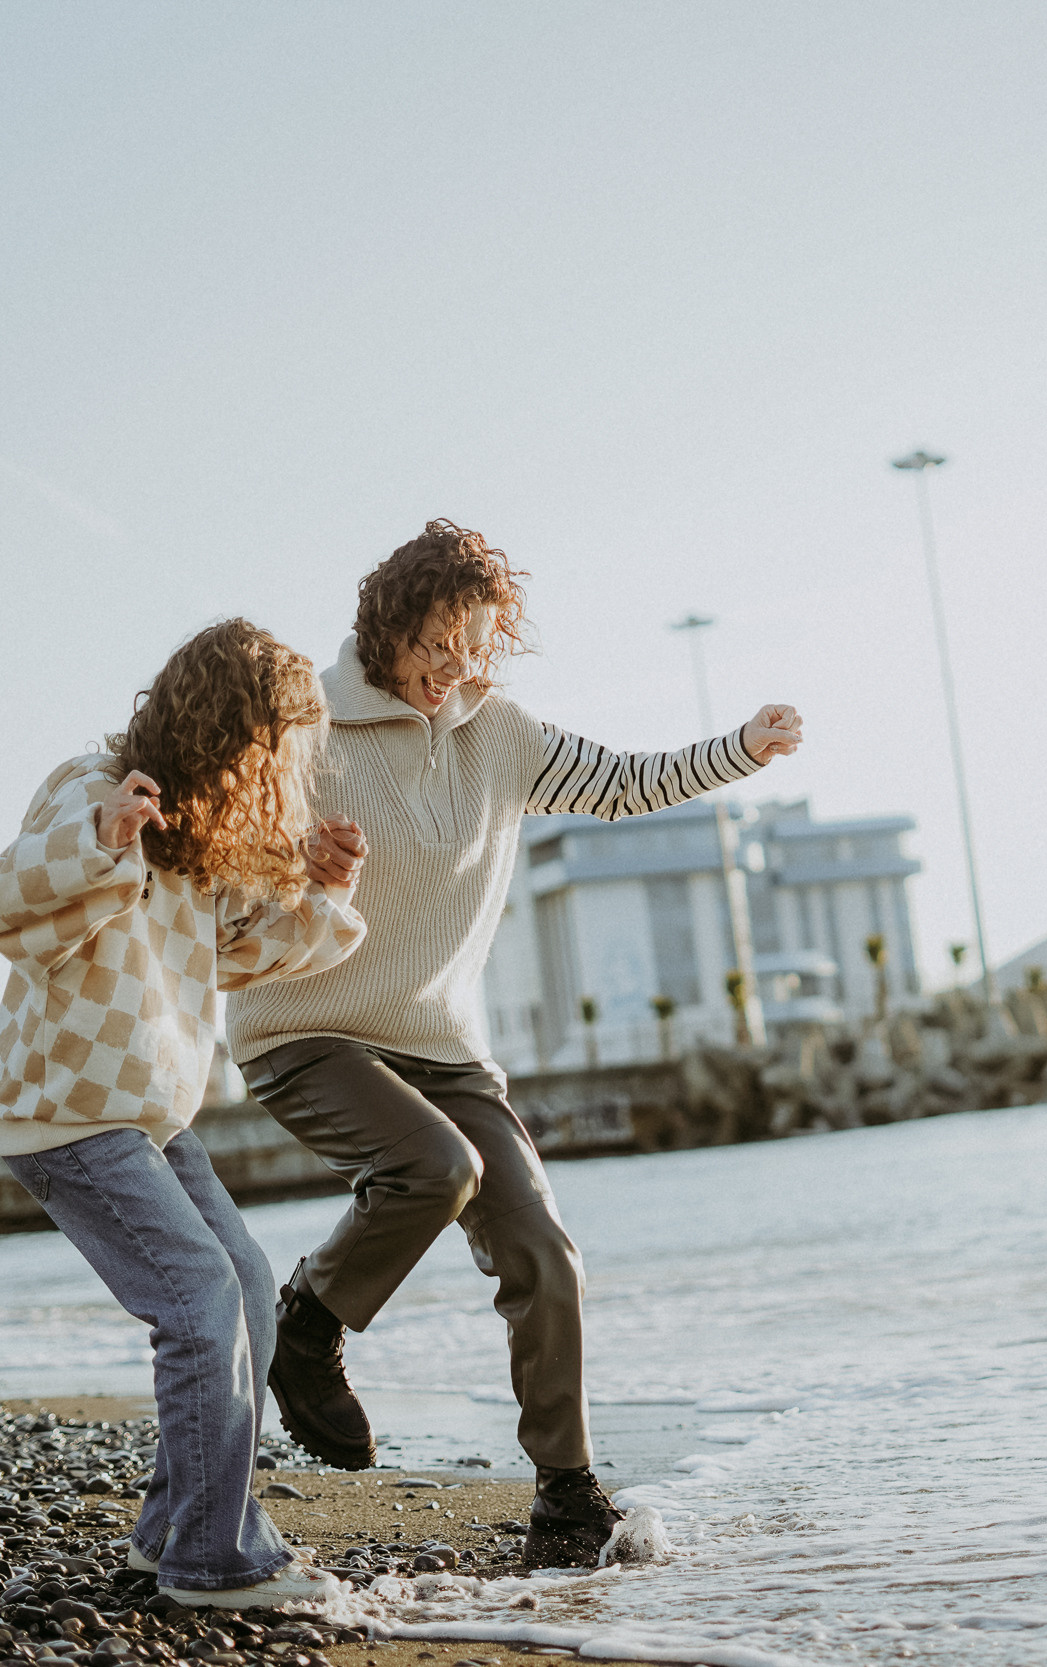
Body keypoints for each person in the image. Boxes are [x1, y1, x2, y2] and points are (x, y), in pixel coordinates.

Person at [228, 519, 803, 1566]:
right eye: (438, 647)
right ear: (388, 626)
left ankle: (568, 1492)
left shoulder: (501, 733)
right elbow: (227, 844)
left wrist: (743, 748)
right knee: (435, 1165)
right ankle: (306, 1322)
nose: (457, 670)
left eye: (477, 648)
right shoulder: (304, 725)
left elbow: (624, 781)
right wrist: (298, 855)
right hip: (303, 1024)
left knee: (541, 1245)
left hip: (440, 1043)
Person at [0, 618, 374, 1610]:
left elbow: (235, 956)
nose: (281, 770)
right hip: (64, 1109)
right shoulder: (93, 788)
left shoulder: (198, 837)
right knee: (198, 1301)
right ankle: (213, 1558)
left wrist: (322, 893)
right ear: (227, 726)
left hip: (142, 1116)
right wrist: (100, 839)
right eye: (273, 748)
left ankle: (171, 1531)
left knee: (244, 1276)